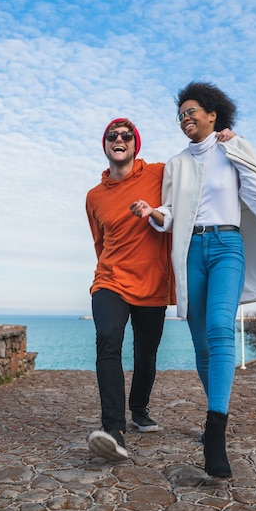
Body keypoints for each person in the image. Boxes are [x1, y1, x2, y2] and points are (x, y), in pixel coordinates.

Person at [130, 81, 256, 478]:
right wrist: (153, 211)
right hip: (191, 253)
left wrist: (235, 143)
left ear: (213, 113)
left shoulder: (232, 147)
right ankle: (215, 408)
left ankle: (214, 431)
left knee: (220, 329)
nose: (185, 119)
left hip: (227, 247)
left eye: (191, 111)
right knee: (202, 344)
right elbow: (170, 214)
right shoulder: (176, 163)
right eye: (180, 115)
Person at [85, 118, 175, 461]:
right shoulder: (94, 196)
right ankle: (114, 429)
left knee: (146, 353)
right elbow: (100, 242)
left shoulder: (159, 173)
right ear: (106, 145)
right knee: (108, 339)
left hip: (152, 282)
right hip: (110, 279)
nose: (119, 139)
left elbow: (197, 170)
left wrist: (223, 136)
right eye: (112, 135)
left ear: (135, 145)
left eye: (126, 136)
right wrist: (110, 272)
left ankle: (138, 409)